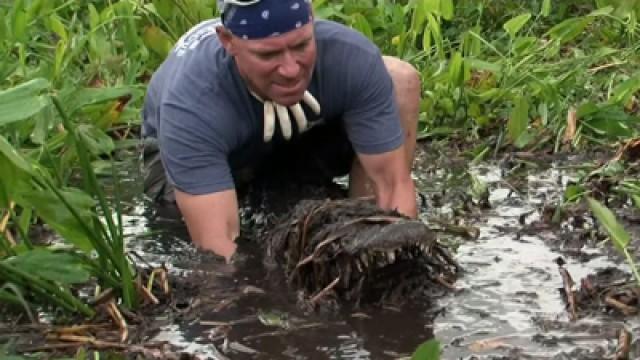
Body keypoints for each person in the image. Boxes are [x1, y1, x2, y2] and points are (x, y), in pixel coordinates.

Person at [142, 0, 421, 262]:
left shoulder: (349, 56)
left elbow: (393, 186)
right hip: (195, 156)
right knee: (227, 252)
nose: (290, 70)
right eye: (268, 54)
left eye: (301, 46)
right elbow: (219, 253)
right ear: (228, 42)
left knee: (398, 79)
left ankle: (358, 228)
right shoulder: (190, 103)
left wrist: (394, 254)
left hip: (290, 137)